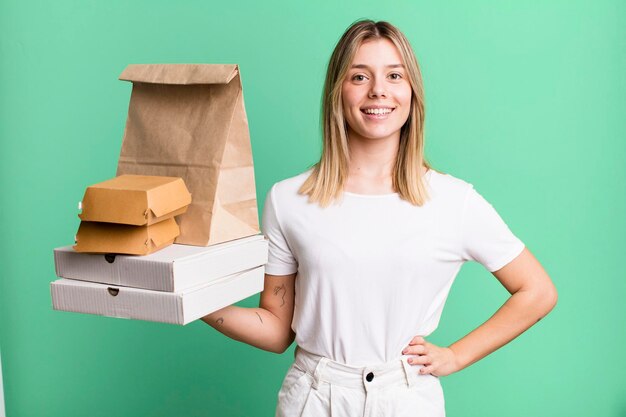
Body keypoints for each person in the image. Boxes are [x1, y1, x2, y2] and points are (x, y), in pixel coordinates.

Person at [202, 19, 557, 417]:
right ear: (338, 91)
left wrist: (456, 355)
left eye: (394, 75)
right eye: (359, 76)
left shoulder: (452, 201)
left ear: (411, 92)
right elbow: (276, 329)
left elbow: (537, 291)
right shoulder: (288, 200)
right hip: (314, 397)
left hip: (407, 399)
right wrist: (189, 299)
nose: (378, 91)